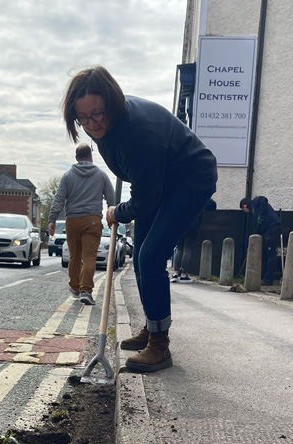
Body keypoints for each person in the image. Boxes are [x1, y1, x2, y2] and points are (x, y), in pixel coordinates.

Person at [62, 66, 217, 372]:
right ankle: (152, 327)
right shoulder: (106, 126)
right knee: (141, 257)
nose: (93, 124)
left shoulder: (137, 132)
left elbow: (146, 197)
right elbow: (142, 181)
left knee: (150, 256)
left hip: (190, 180)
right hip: (162, 183)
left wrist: (117, 211)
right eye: (84, 119)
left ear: (112, 104)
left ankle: (159, 347)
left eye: (98, 114)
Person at [49, 143, 114, 305]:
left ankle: (75, 287)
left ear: (76, 157)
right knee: (90, 257)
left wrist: (52, 219)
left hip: (73, 221)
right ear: (90, 156)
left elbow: (59, 199)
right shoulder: (101, 175)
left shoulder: (68, 176)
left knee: (75, 257)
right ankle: (86, 290)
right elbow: (111, 198)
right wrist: (113, 216)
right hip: (92, 221)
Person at [171, 198, 217, 283]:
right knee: (187, 248)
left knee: (179, 248)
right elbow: (212, 206)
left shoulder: (180, 191)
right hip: (192, 224)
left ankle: (175, 274)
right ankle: (184, 275)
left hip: (178, 224)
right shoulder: (197, 192)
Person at [240, 196, 282, 286]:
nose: (245, 212)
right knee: (265, 254)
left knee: (271, 254)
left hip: (272, 228)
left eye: (243, 209)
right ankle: (263, 276)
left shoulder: (255, 202)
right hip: (267, 230)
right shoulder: (254, 210)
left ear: (244, 206)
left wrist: (260, 215)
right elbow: (259, 224)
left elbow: (264, 199)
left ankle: (268, 279)